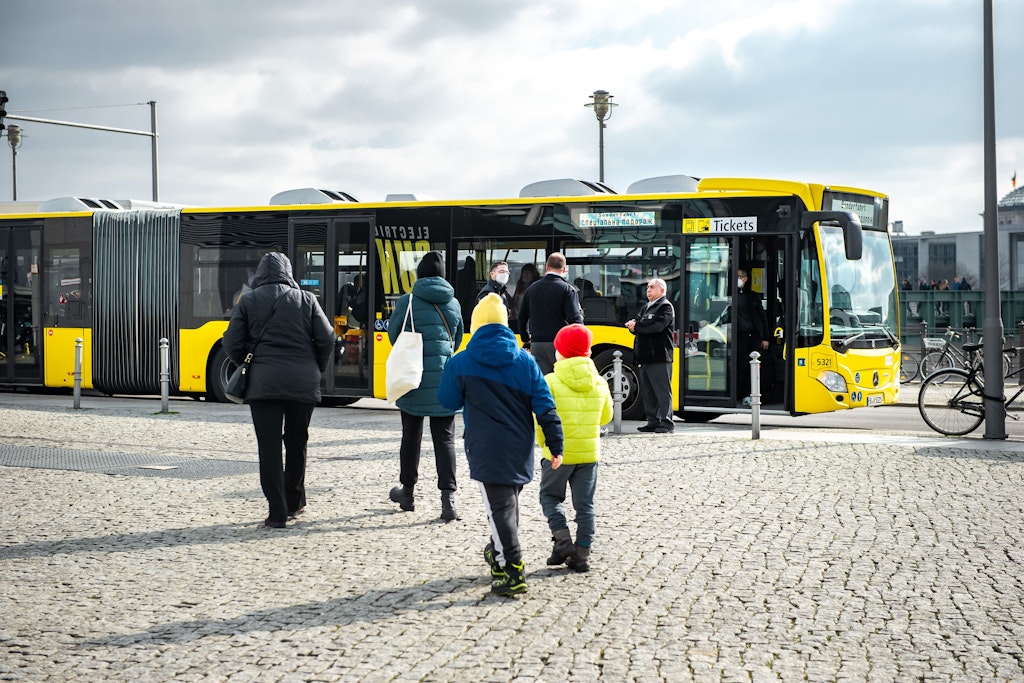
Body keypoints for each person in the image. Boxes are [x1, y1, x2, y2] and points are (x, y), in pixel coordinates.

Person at [438, 293, 564, 597]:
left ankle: (512, 570)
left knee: (501, 510)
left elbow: (447, 401)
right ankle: (497, 554)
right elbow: (545, 405)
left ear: (476, 325)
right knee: (508, 506)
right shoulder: (525, 360)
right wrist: (555, 443)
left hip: (485, 447)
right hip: (520, 447)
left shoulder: (462, 361)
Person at [222, 252, 335, 529]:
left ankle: (277, 513)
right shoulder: (307, 299)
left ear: (260, 274)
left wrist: (248, 364)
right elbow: (327, 337)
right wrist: (315, 366)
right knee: (297, 441)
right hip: (302, 383)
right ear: (289, 273)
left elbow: (231, 341)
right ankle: (295, 501)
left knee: (269, 448)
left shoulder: (249, 300)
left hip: (264, 385)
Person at [387, 251, 465, 521]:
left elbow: (393, 335)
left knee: (411, 437)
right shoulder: (453, 303)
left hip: (412, 379)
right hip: (443, 380)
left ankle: (407, 494)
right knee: (445, 440)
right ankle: (448, 500)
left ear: (419, 274)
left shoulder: (407, 301)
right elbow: (457, 338)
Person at [537, 323, 613, 574]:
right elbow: (605, 417)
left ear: (560, 352)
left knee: (549, 497)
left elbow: (540, 419)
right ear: (588, 353)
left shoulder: (550, 381)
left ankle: (562, 541)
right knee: (585, 505)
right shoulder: (600, 383)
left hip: (558, 454)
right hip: (589, 454)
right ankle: (582, 554)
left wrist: (544, 445)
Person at [517, 253, 584, 375]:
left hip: (537, 344)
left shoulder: (532, 288)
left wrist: (526, 338)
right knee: (562, 379)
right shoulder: (567, 289)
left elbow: (522, 317)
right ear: (564, 269)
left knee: (542, 382)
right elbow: (575, 320)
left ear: (547, 267)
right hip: (560, 344)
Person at [625, 278, 675, 433]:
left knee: (662, 390)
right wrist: (633, 327)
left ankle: (666, 422)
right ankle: (652, 421)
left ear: (662, 290)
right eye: (647, 287)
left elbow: (657, 327)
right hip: (645, 356)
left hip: (659, 356)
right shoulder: (647, 306)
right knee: (648, 392)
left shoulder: (665, 306)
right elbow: (640, 324)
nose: (648, 290)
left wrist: (637, 326)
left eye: (652, 287)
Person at [736, 267, 770, 404]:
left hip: (754, 335)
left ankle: (753, 394)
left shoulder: (753, 296)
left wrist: (765, 337)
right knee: (741, 366)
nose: (737, 279)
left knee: (754, 366)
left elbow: (762, 318)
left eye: (739, 276)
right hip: (740, 335)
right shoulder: (731, 294)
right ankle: (742, 394)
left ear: (745, 279)